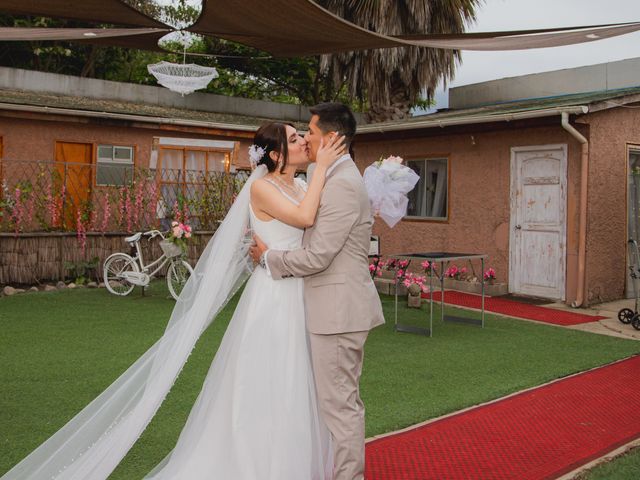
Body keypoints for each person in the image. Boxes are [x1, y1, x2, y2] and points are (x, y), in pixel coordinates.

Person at [0, 123, 345, 480]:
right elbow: (305, 217)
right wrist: (323, 167)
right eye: (294, 138)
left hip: (299, 289)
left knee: (298, 381)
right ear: (275, 155)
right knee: (269, 378)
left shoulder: (301, 185)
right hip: (272, 297)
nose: (304, 140)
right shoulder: (261, 187)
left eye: (302, 135)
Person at [250, 102, 385, 480]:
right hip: (325, 306)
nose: (306, 139)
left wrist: (269, 259)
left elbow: (320, 256)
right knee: (334, 403)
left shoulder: (341, 183)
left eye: (308, 132)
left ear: (329, 138)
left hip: (338, 311)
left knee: (339, 407)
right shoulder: (328, 177)